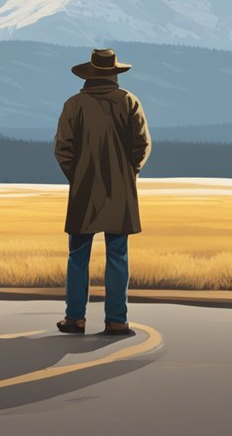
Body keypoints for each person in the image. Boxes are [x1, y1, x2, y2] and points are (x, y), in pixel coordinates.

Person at [53, 48, 151, 336]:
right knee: (118, 254)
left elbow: (63, 150)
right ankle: (117, 320)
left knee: (78, 254)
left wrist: (79, 175)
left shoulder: (74, 105)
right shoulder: (130, 102)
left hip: (84, 191)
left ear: (90, 73)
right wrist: (129, 173)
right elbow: (142, 145)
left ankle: (75, 318)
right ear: (114, 73)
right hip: (120, 190)